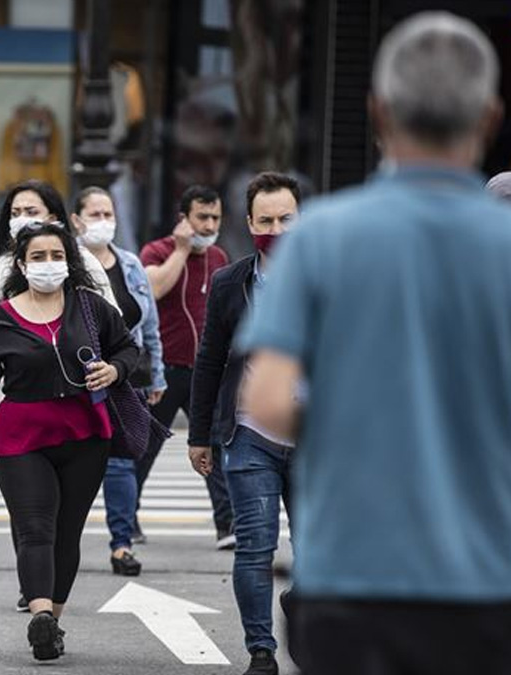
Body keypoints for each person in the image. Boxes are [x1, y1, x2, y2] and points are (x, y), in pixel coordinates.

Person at [238, 13, 511, 674]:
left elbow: (268, 402)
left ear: (378, 112)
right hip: (489, 581)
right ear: (491, 117)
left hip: (351, 578)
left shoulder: (320, 238)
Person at [0, 222, 139, 661]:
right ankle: (40, 613)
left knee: (68, 532)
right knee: (35, 528)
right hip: (23, 436)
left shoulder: (91, 307)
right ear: (22, 265)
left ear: (70, 261)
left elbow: (126, 349)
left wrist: (115, 370)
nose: (49, 264)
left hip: (85, 435)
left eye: (56, 256)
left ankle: (52, 623)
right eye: (38, 257)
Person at [188, 172, 300, 675]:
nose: (276, 229)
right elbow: (210, 358)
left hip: (316, 438)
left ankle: (303, 610)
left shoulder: (329, 276)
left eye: (287, 220)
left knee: (317, 551)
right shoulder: (232, 282)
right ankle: (261, 651)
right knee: (255, 546)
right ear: (250, 224)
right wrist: (198, 436)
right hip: (249, 434)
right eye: (266, 221)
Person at [70, 186, 165, 578]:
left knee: (122, 464)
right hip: (75, 380)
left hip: (127, 378)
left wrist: (155, 373)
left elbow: (151, 326)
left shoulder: (129, 265)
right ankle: (55, 555)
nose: (103, 222)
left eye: (108, 214)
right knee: (70, 467)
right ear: (76, 219)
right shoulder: (65, 263)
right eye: (95, 214)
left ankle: (122, 545)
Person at [138, 185, 234, 548]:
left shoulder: (220, 257)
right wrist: (180, 250)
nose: (209, 225)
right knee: (145, 449)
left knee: (214, 446)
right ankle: (127, 519)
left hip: (204, 371)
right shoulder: (157, 251)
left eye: (215, 218)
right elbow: (154, 290)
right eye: (202, 217)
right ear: (184, 219)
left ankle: (227, 524)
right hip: (164, 370)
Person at [0, 180, 117, 340]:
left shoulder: (84, 259)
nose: (22, 219)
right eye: (15, 213)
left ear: (52, 219)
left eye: (31, 212)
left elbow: (113, 325)